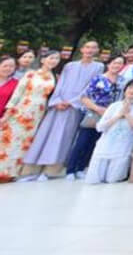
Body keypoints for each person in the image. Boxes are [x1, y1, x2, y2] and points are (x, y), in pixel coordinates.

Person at [22, 41, 103, 180]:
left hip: (75, 107)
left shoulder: (98, 67)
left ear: (97, 51)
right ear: (82, 49)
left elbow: (90, 86)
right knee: (45, 135)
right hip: (58, 105)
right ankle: (32, 170)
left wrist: (73, 102)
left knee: (64, 138)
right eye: (87, 47)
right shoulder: (70, 66)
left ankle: (52, 170)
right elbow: (61, 83)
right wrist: (57, 101)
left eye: (93, 48)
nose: (90, 50)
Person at [0, 51, 58, 183]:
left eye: (56, 59)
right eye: (51, 58)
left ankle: (11, 173)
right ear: (43, 59)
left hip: (37, 113)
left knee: (23, 144)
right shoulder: (31, 74)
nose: (54, 61)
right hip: (21, 109)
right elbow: (17, 94)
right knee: (7, 140)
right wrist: (7, 113)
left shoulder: (53, 77)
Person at [65, 53, 125, 180]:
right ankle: (71, 169)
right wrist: (97, 108)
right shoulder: (98, 78)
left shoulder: (122, 81)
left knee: (95, 142)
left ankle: (81, 167)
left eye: (120, 63)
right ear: (109, 64)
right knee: (82, 142)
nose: (116, 65)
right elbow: (84, 97)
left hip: (109, 116)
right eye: (114, 62)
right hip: (92, 113)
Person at [85, 78, 133, 184]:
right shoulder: (115, 105)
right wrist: (119, 115)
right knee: (95, 179)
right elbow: (100, 127)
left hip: (125, 144)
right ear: (125, 89)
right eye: (130, 87)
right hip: (107, 142)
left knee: (113, 179)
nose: (132, 90)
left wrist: (127, 114)